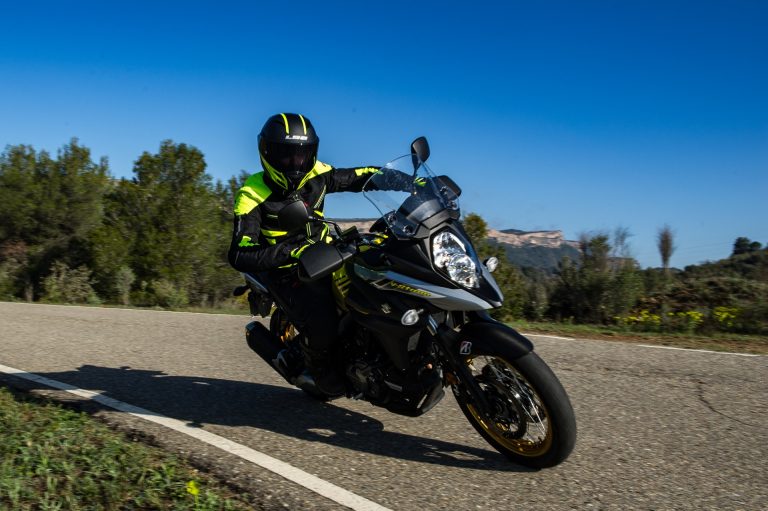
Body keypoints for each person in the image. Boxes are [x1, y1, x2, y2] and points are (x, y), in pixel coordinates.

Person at [228, 113, 378, 396]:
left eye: (302, 155)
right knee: (323, 319)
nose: (295, 163)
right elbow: (240, 253)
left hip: (327, 255)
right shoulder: (251, 194)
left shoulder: (317, 173)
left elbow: (359, 177)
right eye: (285, 156)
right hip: (286, 271)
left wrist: (407, 180)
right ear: (267, 154)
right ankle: (321, 372)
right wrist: (290, 250)